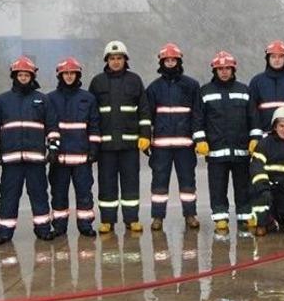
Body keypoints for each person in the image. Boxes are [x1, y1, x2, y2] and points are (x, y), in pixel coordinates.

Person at [0, 56, 59, 243]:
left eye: (26, 74)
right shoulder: (2, 101)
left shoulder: (42, 100)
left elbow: (52, 127)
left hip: (36, 161)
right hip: (11, 161)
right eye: (20, 74)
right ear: (14, 76)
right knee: (8, 197)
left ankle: (43, 228)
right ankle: (5, 232)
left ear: (32, 76)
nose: (23, 77)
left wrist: (53, 148)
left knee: (39, 195)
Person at [89, 40, 151, 233]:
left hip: (129, 146)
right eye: (112, 58)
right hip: (105, 147)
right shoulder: (97, 82)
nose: (116, 61)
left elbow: (144, 111)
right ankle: (107, 220)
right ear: (106, 60)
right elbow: (92, 115)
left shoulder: (135, 80)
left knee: (130, 184)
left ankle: (131, 219)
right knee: (106, 184)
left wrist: (145, 135)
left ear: (125, 60)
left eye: (119, 58)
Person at [193, 51, 257, 232]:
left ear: (233, 69)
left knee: (243, 187)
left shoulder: (244, 90)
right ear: (214, 70)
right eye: (220, 69)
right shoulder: (205, 92)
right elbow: (198, 120)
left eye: (227, 68)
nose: (224, 72)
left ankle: (245, 216)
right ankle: (220, 217)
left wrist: (255, 139)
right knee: (217, 187)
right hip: (216, 151)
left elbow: (253, 118)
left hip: (241, 150)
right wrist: (200, 140)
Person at [145, 43, 201, 231]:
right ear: (162, 62)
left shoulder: (191, 86)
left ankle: (190, 215)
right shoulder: (153, 88)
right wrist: (146, 139)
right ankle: (158, 217)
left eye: (173, 60)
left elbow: (197, 115)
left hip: (185, 145)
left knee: (188, 183)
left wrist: (199, 140)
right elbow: (148, 116)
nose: (170, 63)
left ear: (179, 61)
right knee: (159, 184)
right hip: (160, 147)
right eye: (167, 60)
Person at [46, 57, 101, 238]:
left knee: (84, 193)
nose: (69, 77)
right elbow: (48, 126)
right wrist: (50, 150)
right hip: (59, 159)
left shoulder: (88, 98)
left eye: (72, 73)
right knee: (59, 194)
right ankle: (60, 227)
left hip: (82, 158)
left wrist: (94, 149)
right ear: (60, 76)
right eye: (65, 73)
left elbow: (94, 125)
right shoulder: (50, 99)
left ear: (77, 75)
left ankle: (85, 226)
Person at [249, 106, 284, 235]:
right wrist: (264, 189)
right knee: (262, 203)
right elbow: (256, 167)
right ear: (275, 127)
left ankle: (283, 218)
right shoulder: (264, 144)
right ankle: (264, 222)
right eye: (281, 126)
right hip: (266, 190)